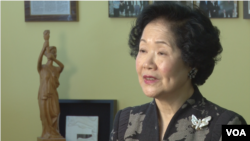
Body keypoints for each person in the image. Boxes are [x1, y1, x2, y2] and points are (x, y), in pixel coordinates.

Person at [109, 2, 246, 141]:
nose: (147, 64)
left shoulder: (231, 124)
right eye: (143, 50)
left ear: (192, 61)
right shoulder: (125, 122)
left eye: (161, 52)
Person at [37, 30, 64, 139]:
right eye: (51, 53)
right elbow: (38, 62)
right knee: (45, 117)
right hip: (43, 95)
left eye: (54, 53)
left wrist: (55, 60)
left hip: (53, 95)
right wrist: (44, 47)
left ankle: (54, 133)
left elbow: (62, 66)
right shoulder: (42, 68)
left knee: (56, 114)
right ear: (46, 55)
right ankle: (46, 134)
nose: (53, 55)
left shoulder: (56, 69)